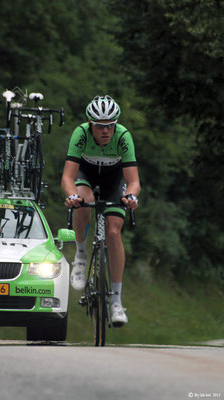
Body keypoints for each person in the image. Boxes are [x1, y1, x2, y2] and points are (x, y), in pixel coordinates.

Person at [61, 95, 140, 326]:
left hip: (114, 181)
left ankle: (116, 301)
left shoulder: (123, 136)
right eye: (100, 126)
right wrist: (71, 195)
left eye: (110, 125)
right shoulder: (81, 134)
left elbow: (133, 181)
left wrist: (131, 196)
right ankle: (81, 255)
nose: (105, 131)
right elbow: (68, 177)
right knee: (83, 202)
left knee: (113, 232)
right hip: (86, 176)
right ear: (90, 124)